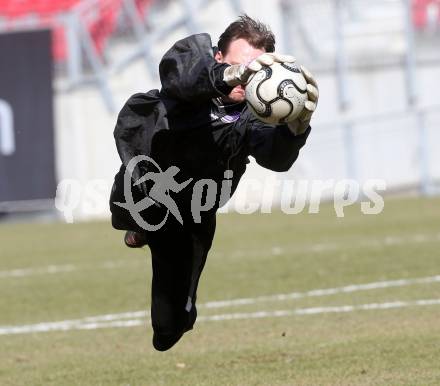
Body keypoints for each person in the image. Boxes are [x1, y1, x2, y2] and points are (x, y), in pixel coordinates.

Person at [109, 15, 319, 351]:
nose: (246, 79)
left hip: (192, 213)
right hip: (146, 181)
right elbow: (179, 76)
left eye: (255, 71)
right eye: (240, 67)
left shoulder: (253, 116)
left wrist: (297, 126)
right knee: (123, 211)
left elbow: (276, 159)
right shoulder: (195, 57)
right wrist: (229, 75)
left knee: (167, 330)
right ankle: (145, 226)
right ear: (219, 57)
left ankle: (175, 301)